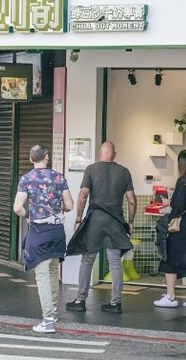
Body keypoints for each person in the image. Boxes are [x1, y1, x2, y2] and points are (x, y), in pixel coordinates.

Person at [65, 141, 136, 314]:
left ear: (100, 153)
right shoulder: (124, 172)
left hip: (95, 220)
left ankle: (80, 300)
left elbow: (83, 196)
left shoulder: (91, 169)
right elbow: (132, 200)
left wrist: (79, 219)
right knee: (115, 263)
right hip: (115, 221)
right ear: (115, 154)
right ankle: (115, 303)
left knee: (87, 259)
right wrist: (131, 221)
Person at [13, 145, 74, 334]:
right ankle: (53, 313)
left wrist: (28, 215)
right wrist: (55, 208)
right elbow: (69, 205)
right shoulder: (59, 177)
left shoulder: (26, 179)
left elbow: (17, 207)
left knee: (42, 275)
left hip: (39, 230)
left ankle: (48, 320)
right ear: (47, 157)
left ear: (31, 160)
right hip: (57, 230)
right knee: (54, 270)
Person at [154, 148, 186, 309]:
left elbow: (178, 206)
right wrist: (172, 202)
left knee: (170, 259)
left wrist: (169, 209)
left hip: (182, 227)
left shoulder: (183, 181)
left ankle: (170, 297)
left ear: (183, 163)